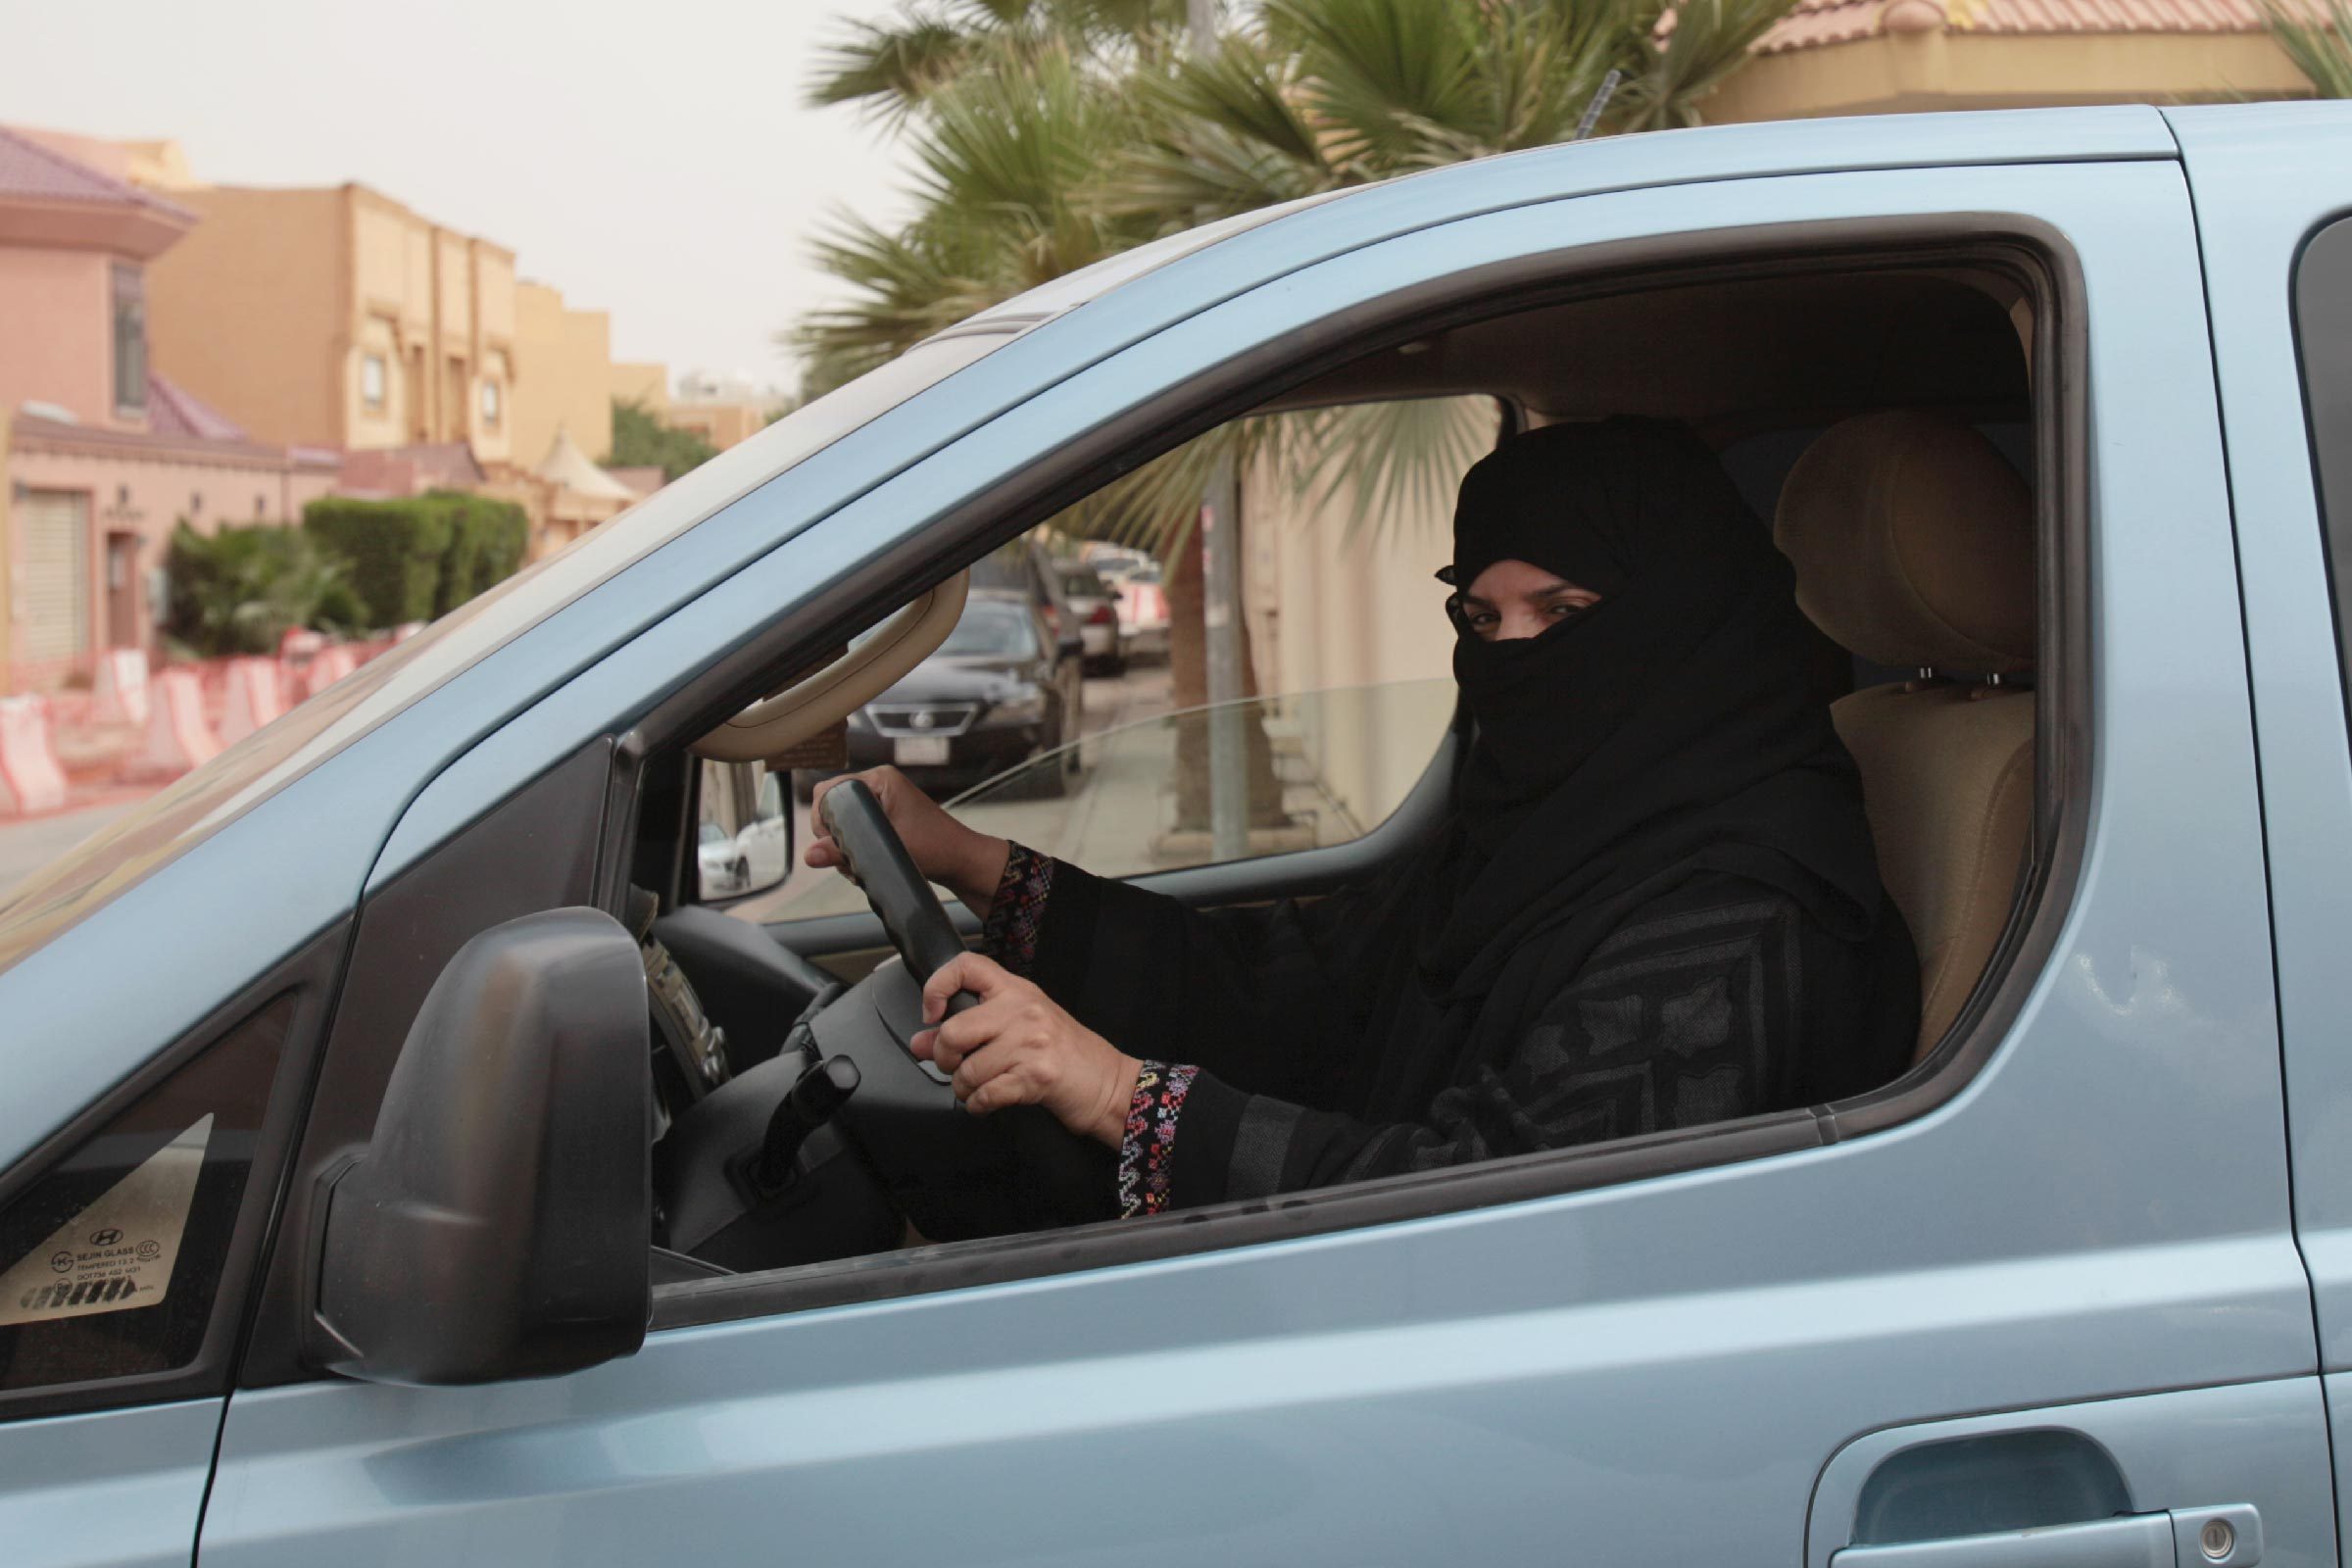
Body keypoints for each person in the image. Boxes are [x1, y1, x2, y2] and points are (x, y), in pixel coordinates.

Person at [807, 418, 1921, 1223]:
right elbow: (1302, 979)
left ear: (1685, 620)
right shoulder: (1543, 833)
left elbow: (1493, 1210)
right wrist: (969, 859)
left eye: (1566, 614)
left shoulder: (1739, 921)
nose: (1516, 655)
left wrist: (1113, 1092)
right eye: (1482, 617)